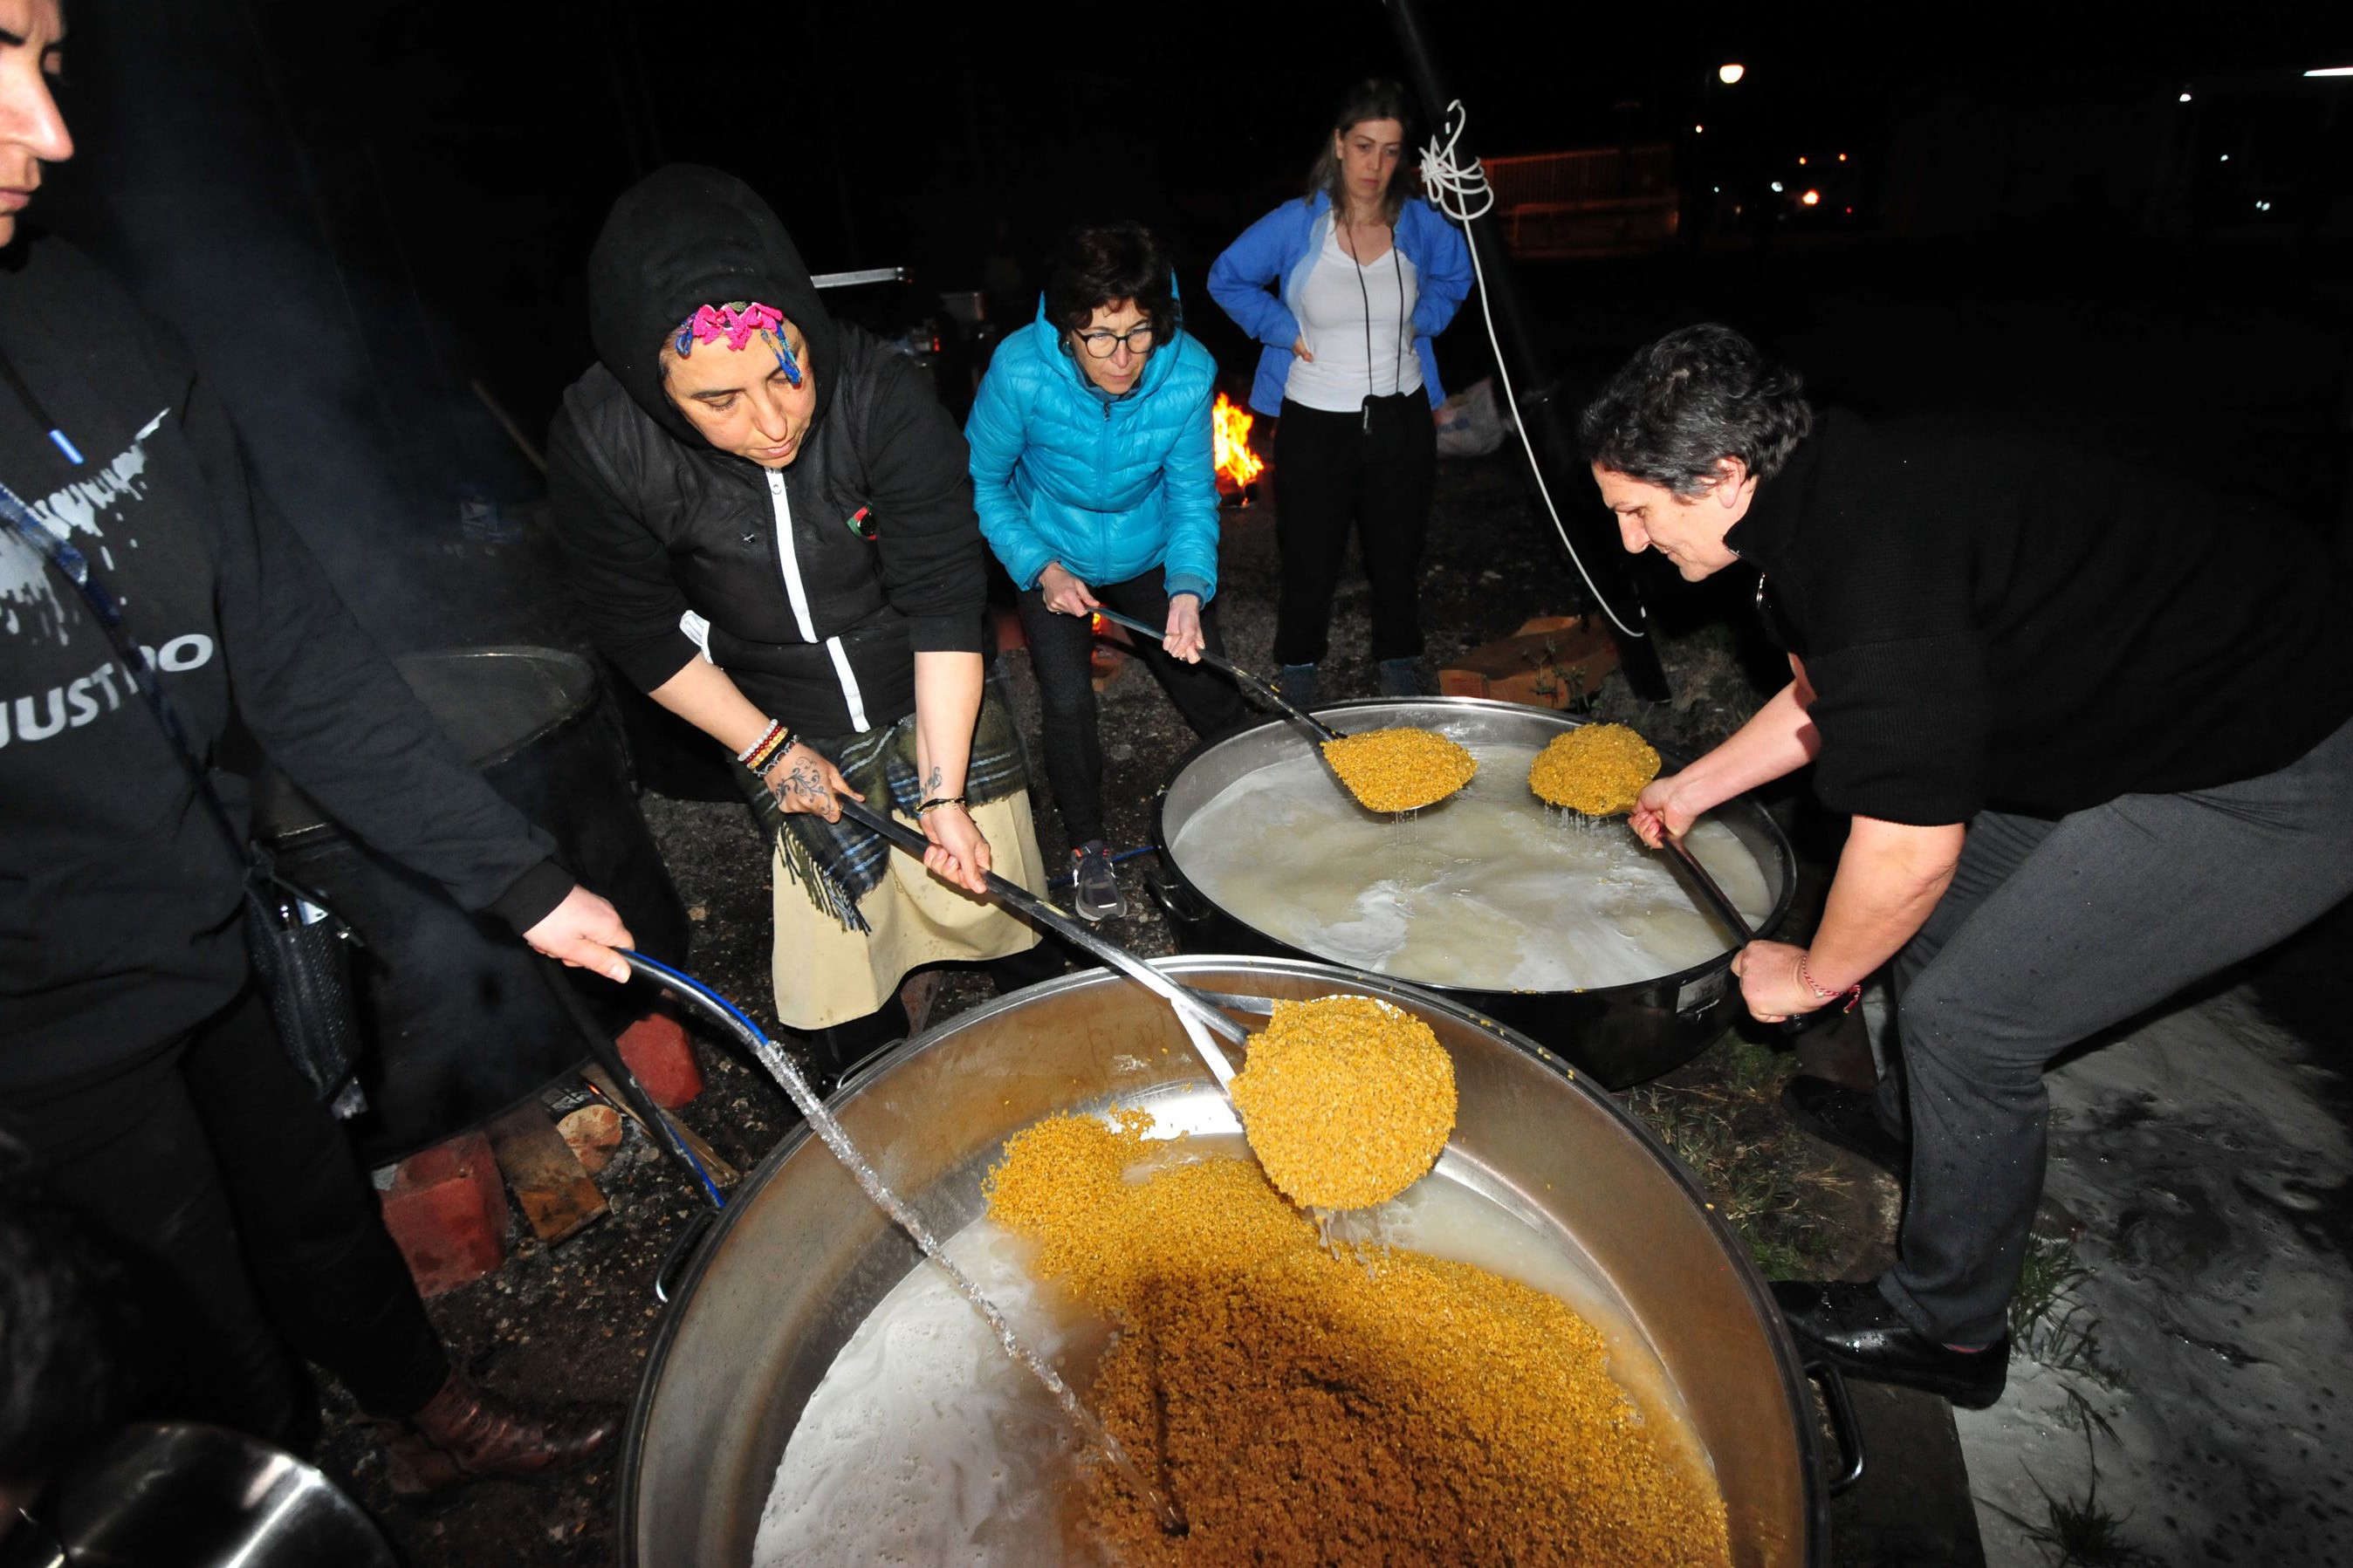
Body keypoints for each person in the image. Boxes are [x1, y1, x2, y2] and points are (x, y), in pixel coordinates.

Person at [0, 0, 635, 1496]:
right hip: (34, 1031)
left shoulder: (89, 323)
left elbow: (289, 647)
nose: (51, 131)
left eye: (46, 60)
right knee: (196, 1345)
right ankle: (277, 1507)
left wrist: (519, 878)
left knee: (313, 1209)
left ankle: (426, 1423)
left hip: (203, 918)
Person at [1580, 323, 2353, 1409]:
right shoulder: (1824, 491)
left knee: (1969, 1021)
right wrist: (1696, 786)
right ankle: (1921, 1125)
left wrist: (1809, 980)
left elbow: (1900, 853)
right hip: (2154, 702)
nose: (1625, 540)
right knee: (1938, 937)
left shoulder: (1871, 562)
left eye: (1638, 512)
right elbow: (1828, 695)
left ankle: (1945, 1332)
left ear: (1720, 476)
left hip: (2271, 764)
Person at [549, 164, 1060, 1084]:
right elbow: (636, 625)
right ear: (650, 383)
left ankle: (1046, 1018)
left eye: (789, 373)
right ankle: (874, 1081)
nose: (773, 421)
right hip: (769, 700)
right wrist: (772, 749)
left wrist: (941, 794)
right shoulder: (602, 438)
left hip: (924, 676)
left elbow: (944, 598)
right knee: (840, 960)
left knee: (1000, 896)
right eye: (720, 402)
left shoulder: (880, 394)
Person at [964, 221, 1246, 920]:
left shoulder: (1186, 372)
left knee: (1206, 680)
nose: (1122, 358)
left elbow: (1189, 493)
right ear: (1066, 328)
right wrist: (1040, 567)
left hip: (1148, 546)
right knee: (1066, 702)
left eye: (1139, 333)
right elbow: (981, 480)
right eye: (1100, 337)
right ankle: (1088, 845)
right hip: (1052, 547)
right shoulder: (1018, 371)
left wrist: (1188, 589)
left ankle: (1254, 800)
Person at [1207, 78, 1472, 708]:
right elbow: (1228, 277)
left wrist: (1424, 318)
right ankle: (1299, 667)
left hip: (1401, 415)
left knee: (1398, 551)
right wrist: (1277, 326)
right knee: (1309, 555)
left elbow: (1458, 275)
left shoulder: (1422, 223)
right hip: (1314, 421)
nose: (1375, 165)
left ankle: (1399, 660)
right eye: (1363, 146)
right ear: (1338, 145)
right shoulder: (1298, 224)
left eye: (1389, 150)